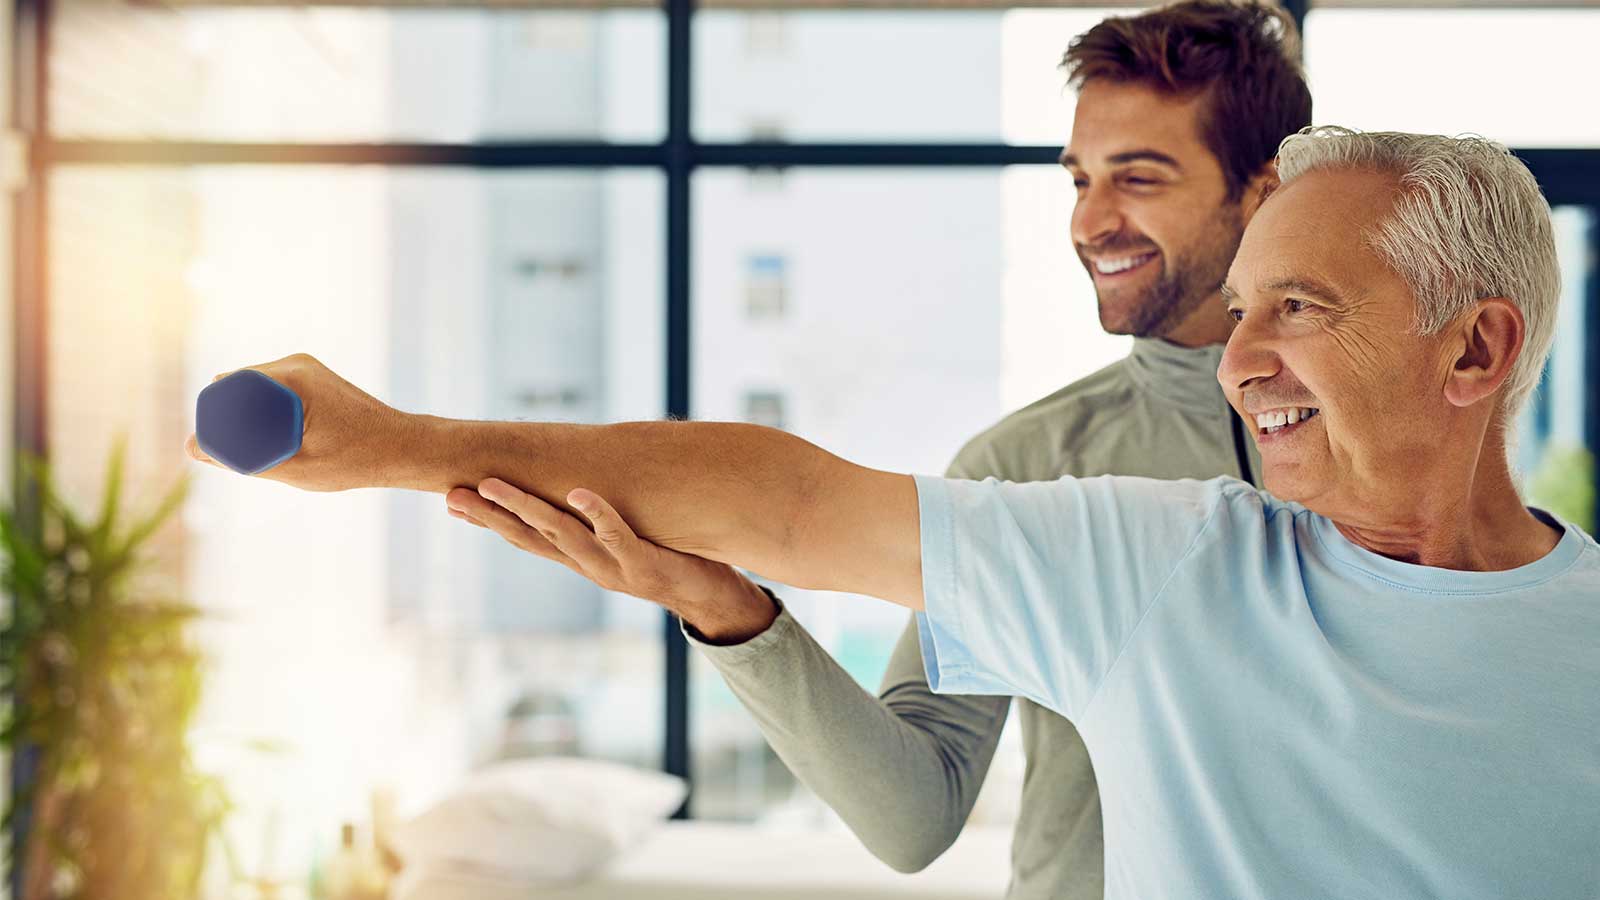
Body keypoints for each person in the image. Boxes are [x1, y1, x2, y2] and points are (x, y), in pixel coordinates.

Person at [185, 127, 1599, 899]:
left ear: (1472, 352)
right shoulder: (1157, 563)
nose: (1238, 358)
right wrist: (399, 441)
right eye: (1241, 311)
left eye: (1301, 309)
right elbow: (792, 502)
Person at [485, 3, 1306, 896]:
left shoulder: (1394, 442)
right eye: (1078, 181)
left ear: (1260, 192)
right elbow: (914, 815)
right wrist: (726, 610)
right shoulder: (1025, 462)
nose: (1090, 222)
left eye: (1139, 179)